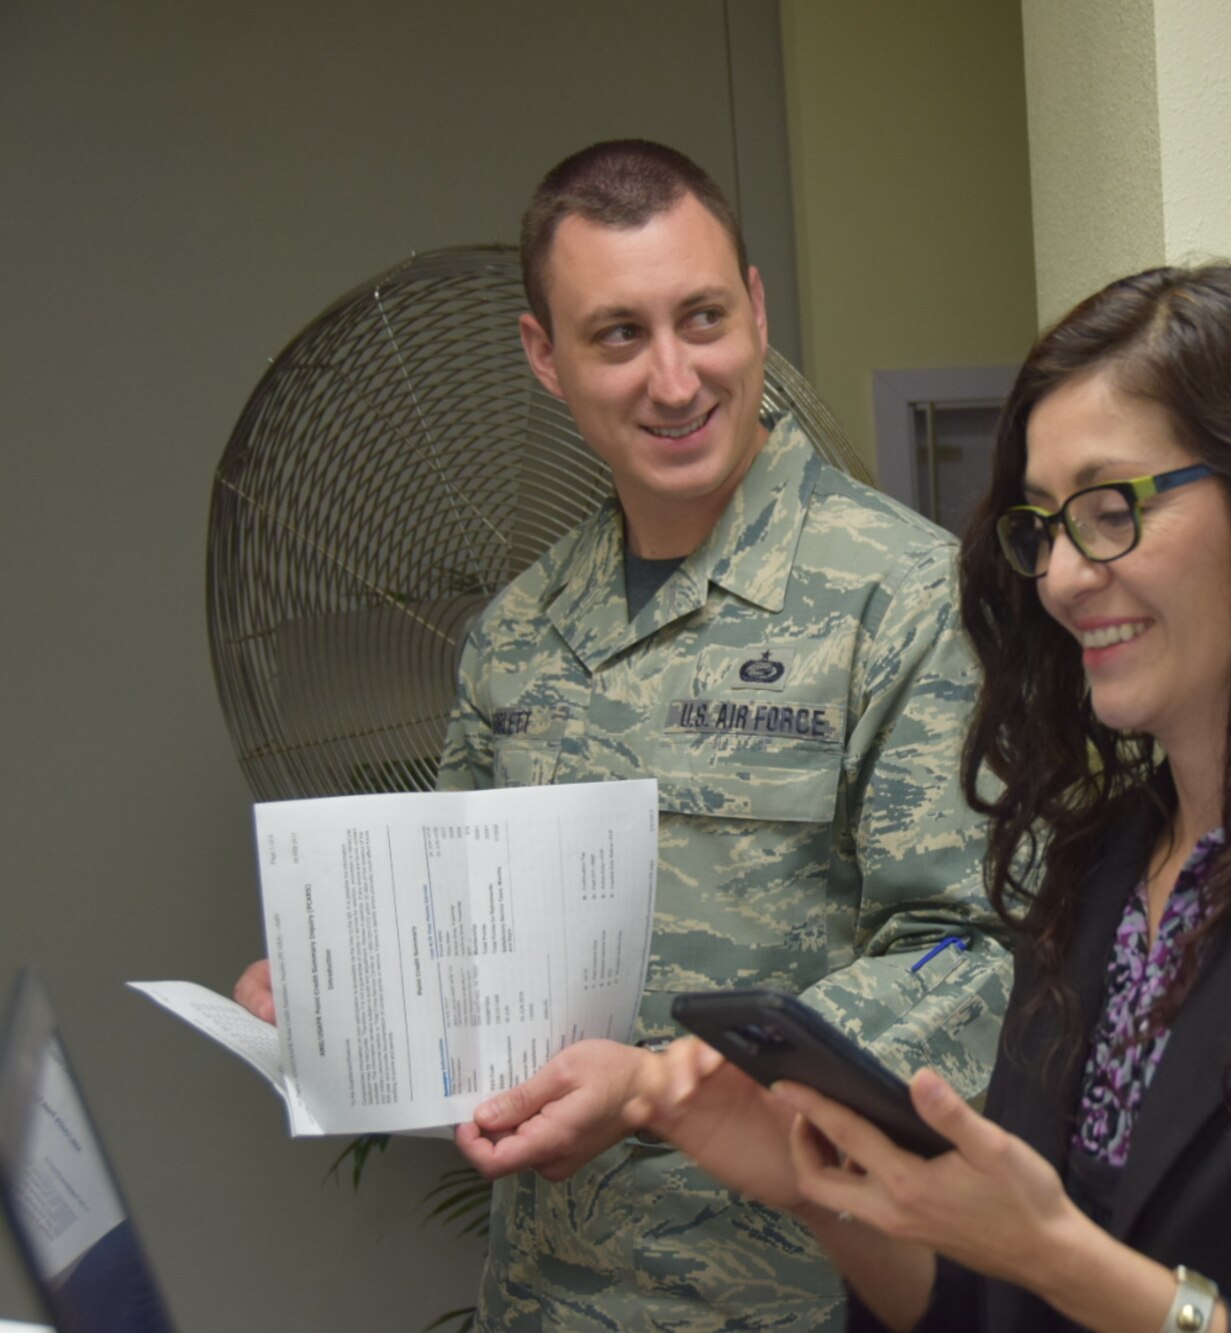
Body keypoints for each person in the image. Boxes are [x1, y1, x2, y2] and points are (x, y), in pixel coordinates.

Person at [619, 263, 1231, 1331]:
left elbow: (1059, 1268)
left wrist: (1062, 1258)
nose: (1059, 576)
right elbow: (986, 1310)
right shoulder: (1095, 870)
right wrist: (820, 1191)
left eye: (1107, 508)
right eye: (1043, 523)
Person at [236, 139, 1012, 1332]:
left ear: (756, 307)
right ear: (543, 356)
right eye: (616, 336)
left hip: (795, 1300)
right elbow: (455, 945)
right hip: (544, 1299)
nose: (673, 378)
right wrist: (346, 999)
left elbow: (968, 958)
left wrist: (669, 1087)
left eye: (702, 318)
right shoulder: (517, 635)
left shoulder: (902, 603)